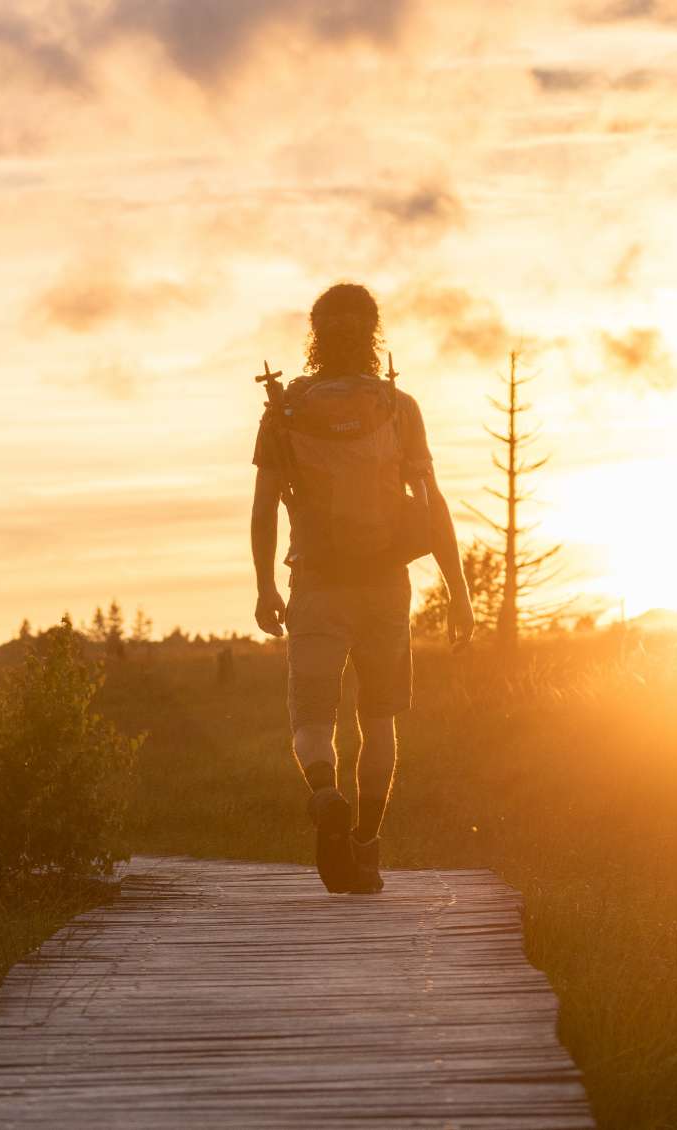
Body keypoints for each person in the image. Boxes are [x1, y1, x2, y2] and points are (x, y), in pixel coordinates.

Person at [250, 282, 474, 894]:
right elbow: (431, 505)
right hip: (384, 585)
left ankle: (324, 793)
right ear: (373, 333)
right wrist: (459, 589)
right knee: (379, 722)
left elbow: (265, 507)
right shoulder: (399, 407)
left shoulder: (284, 411)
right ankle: (366, 849)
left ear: (315, 334)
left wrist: (266, 585)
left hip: (316, 585)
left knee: (311, 716)